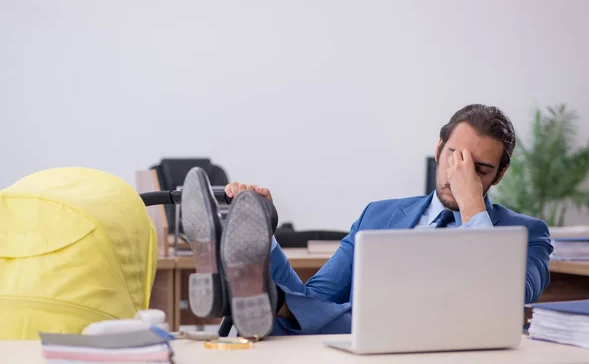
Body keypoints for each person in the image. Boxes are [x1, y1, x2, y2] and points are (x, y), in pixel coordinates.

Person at [181, 104, 554, 339]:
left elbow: (508, 299)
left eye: (479, 170)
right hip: (369, 348)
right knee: (343, 313)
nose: (460, 175)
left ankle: (267, 300)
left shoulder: (530, 234)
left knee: (403, 318)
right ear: (439, 149)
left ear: (499, 175)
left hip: (449, 346)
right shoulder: (379, 214)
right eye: (455, 159)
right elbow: (315, 300)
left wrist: (472, 206)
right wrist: (264, 236)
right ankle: (269, 295)